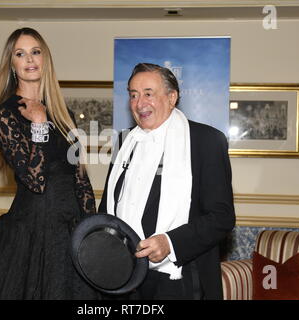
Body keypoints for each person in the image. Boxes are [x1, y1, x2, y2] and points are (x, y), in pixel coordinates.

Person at [0, 27, 98, 299]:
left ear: (45, 59)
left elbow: (80, 178)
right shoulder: (5, 114)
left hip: (70, 229)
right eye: (20, 54)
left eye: (35, 52)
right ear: (12, 64)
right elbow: (34, 180)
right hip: (31, 231)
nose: (29, 59)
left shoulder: (63, 112)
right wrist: (38, 124)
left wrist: (92, 228)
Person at [99, 63, 235, 300]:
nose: (140, 103)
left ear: (172, 97)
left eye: (148, 94)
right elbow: (108, 209)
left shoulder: (206, 141)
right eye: (133, 95)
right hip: (125, 278)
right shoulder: (123, 143)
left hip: (181, 279)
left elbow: (222, 217)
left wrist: (170, 243)